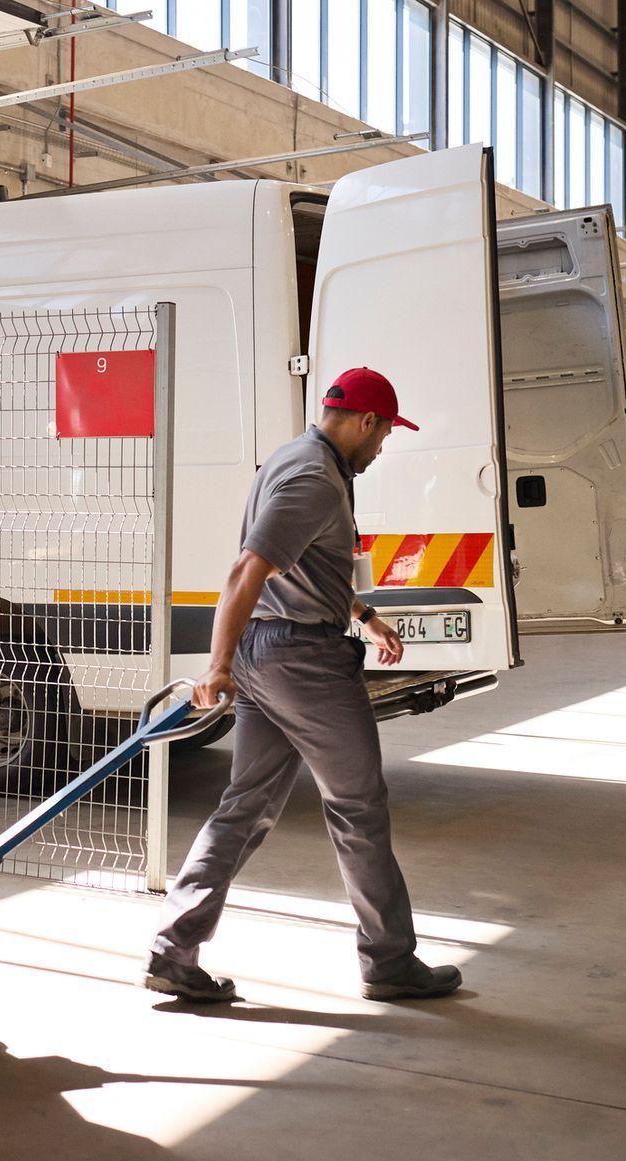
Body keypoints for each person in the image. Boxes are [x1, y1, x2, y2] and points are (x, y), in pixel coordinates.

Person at [143, 367, 463, 1004]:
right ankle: (390, 961)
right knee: (358, 805)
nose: (382, 448)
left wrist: (365, 617)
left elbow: (306, 568)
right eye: (385, 435)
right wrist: (217, 665)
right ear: (366, 422)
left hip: (276, 655)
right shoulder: (316, 479)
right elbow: (247, 570)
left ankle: (173, 949)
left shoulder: (295, 458)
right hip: (301, 663)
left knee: (247, 804)